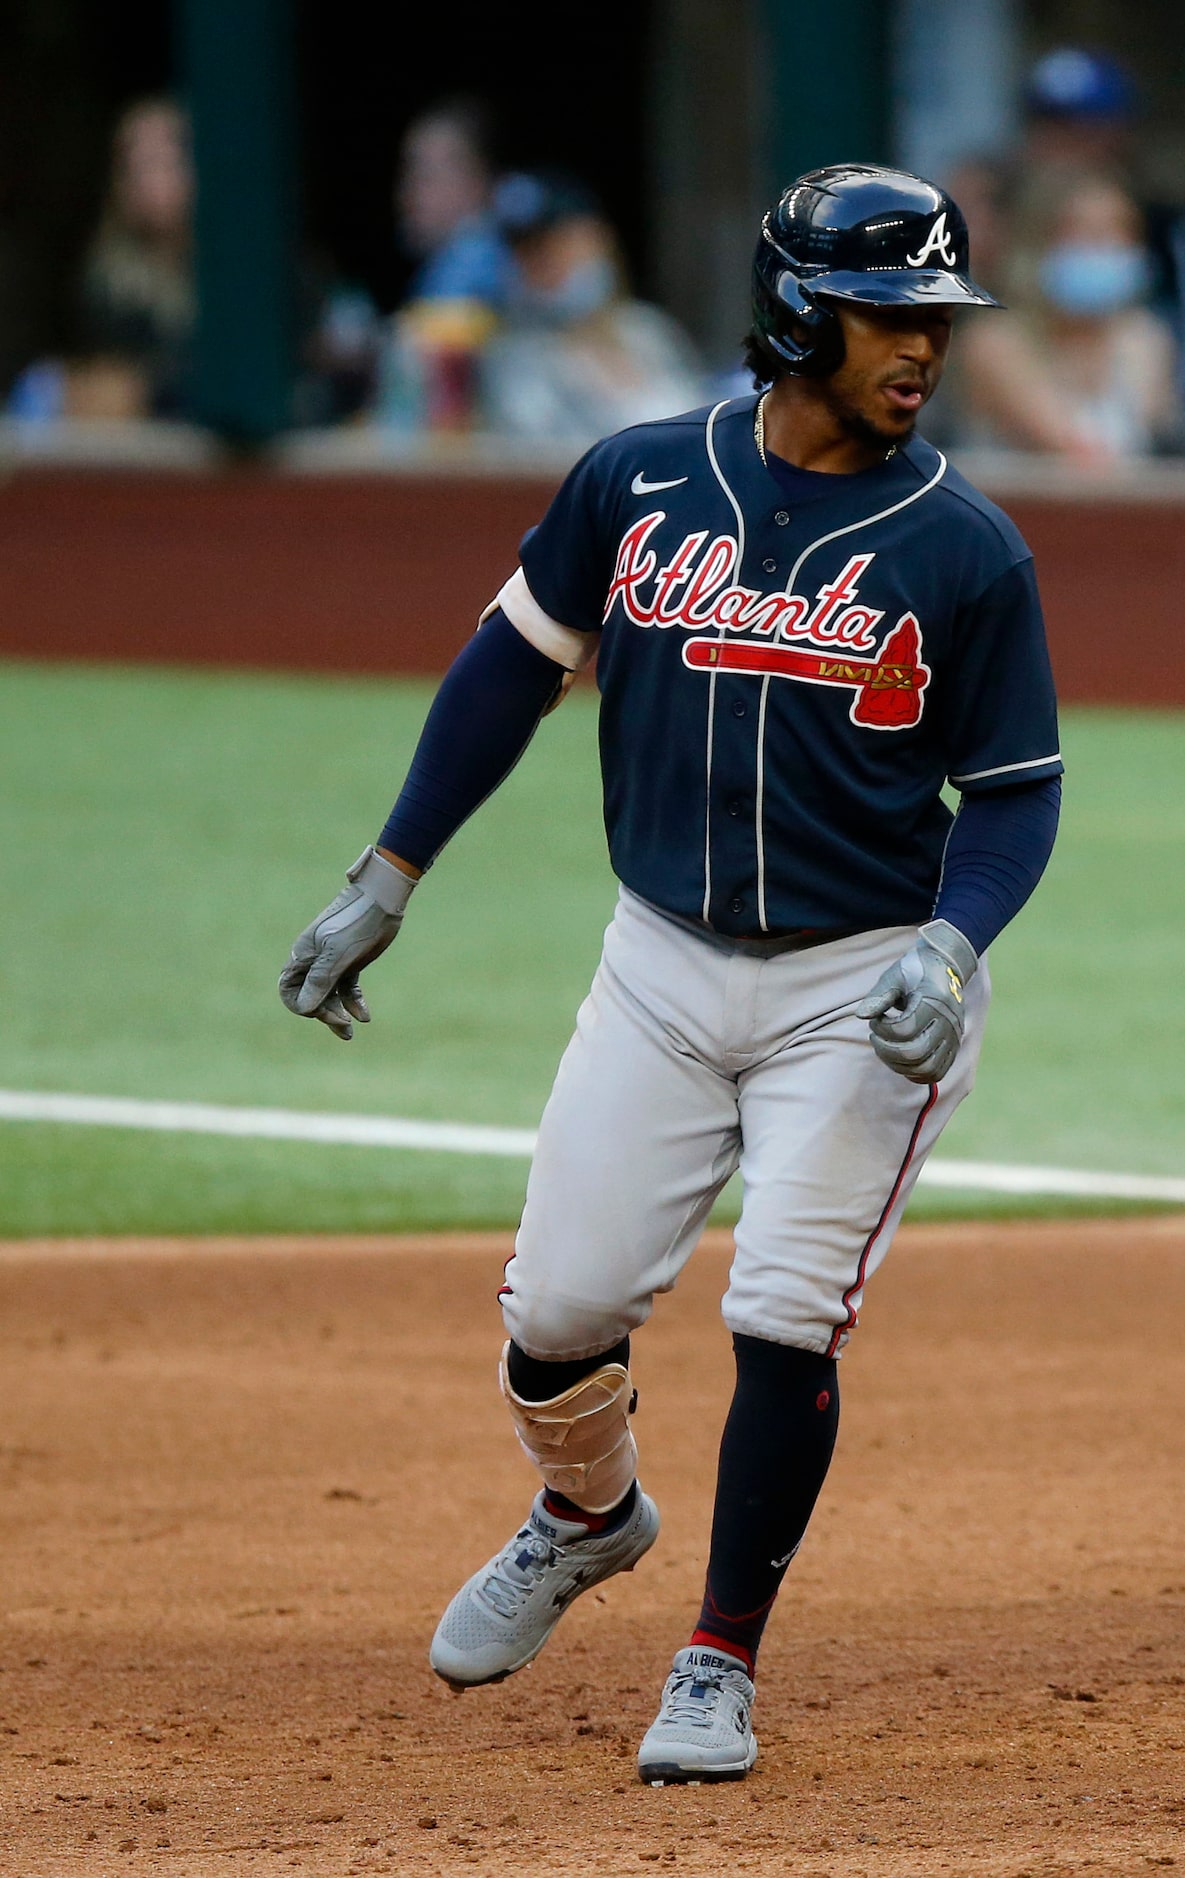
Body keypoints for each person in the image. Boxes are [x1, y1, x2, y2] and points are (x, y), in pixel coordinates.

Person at [275, 166, 1062, 1782]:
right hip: (657, 963)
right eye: (886, 316)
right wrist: (388, 871)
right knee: (556, 1313)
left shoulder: (963, 548)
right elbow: (508, 669)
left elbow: (1016, 791)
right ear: (792, 313)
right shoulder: (636, 482)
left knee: (782, 1305)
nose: (921, 348)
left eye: (935, 319)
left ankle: (716, 1661)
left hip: (862, 985)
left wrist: (948, 938)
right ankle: (584, 1512)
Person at [1021, 45, 1185, 439]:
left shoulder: (1175, 231)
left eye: (1080, 129)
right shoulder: (999, 332)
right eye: (1050, 128)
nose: (1064, 147)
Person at [955, 167, 1177, 464]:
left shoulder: (1145, 338)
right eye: (1084, 232)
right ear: (1036, 243)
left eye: (1119, 230)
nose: (1103, 247)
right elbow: (1077, 450)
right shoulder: (994, 341)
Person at [476, 171, 709, 444]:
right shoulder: (513, 359)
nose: (543, 264)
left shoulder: (647, 330)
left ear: (599, 240)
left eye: (559, 245)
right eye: (526, 254)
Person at [64, 96, 193, 420]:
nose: (149, 179)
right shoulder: (108, 285)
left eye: (166, 160)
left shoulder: (241, 274)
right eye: (135, 165)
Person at [397, 99, 510, 307]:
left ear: (476, 182)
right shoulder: (447, 258)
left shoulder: (470, 262)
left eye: (426, 177)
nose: (407, 194)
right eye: (406, 176)